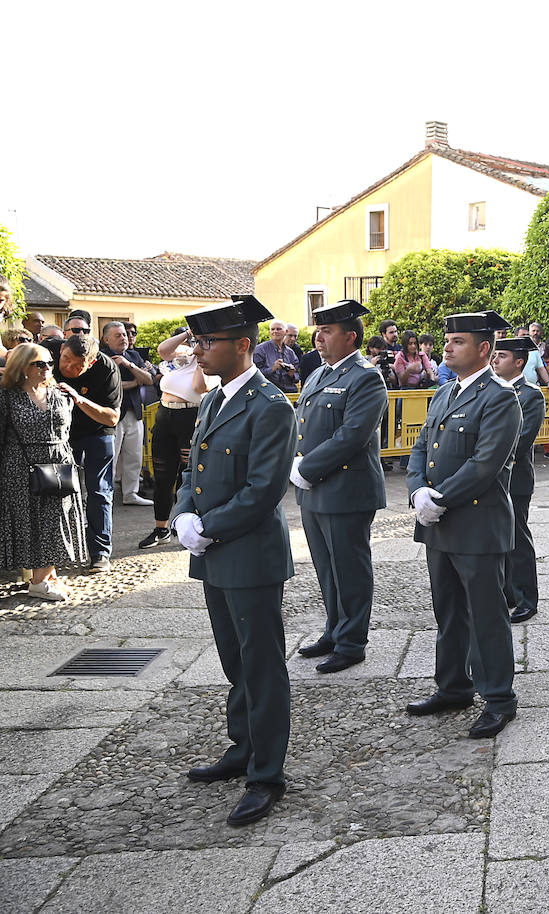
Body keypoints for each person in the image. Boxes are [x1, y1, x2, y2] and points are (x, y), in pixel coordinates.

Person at [171, 294, 295, 827]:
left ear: (242, 345)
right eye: (198, 341)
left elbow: (263, 488)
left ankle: (266, 773)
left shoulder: (270, 406)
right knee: (234, 660)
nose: (198, 351)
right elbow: (193, 474)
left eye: (208, 342)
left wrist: (209, 526)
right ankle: (241, 746)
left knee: (262, 665)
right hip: (215, 555)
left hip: (248, 554)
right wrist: (181, 515)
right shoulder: (215, 401)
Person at [404, 310, 521, 740]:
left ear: (484, 349)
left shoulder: (499, 397)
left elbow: (486, 464)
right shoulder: (445, 393)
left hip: (476, 523)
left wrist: (440, 497)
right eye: (447, 340)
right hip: (438, 521)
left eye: (458, 341)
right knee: (448, 610)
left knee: (485, 613)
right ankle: (453, 686)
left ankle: (498, 698)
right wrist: (417, 491)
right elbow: (421, 448)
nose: (447, 346)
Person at [291, 299, 389, 674]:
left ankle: (352, 642)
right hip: (314, 487)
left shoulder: (365, 376)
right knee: (326, 567)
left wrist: (307, 467)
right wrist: (297, 463)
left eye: (327, 331)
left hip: (346, 488)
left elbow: (352, 436)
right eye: (318, 330)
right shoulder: (319, 374)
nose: (318, 337)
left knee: (349, 567)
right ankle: (334, 629)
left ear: (350, 337)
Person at [0, 343, 89, 600]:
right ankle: (38, 582)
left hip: (59, 462)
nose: (47, 368)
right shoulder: (7, 396)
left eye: (49, 363)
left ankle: (47, 575)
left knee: (59, 520)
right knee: (33, 524)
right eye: (40, 364)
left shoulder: (58, 393)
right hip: (21, 467)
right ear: (22, 366)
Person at [138, 330, 218, 549]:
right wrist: (188, 334)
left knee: (187, 475)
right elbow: (163, 350)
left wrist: (201, 358)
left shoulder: (209, 362)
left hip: (189, 416)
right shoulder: (181, 355)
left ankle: (185, 525)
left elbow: (199, 388)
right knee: (162, 475)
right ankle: (161, 528)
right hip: (165, 415)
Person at [54, 334, 120, 571]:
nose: (68, 368)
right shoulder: (46, 353)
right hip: (59, 435)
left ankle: (100, 552)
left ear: (90, 363)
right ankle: (56, 552)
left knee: (99, 491)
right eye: (66, 360)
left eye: (77, 366)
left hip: (97, 432)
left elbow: (112, 418)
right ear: (61, 349)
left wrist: (78, 399)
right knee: (56, 491)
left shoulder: (107, 369)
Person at [492, 336, 546, 624]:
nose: (495, 360)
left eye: (501, 355)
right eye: (495, 354)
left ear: (519, 362)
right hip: (493, 478)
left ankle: (527, 598)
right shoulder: (492, 391)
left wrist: (490, 461)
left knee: (518, 539)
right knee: (500, 538)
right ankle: (507, 592)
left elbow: (522, 440)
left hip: (515, 478)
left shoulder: (530, 394)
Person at [99, 321, 155, 506]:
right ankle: (105, 496)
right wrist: (133, 383)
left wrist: (128, 364)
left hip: (135, 413)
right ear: (106, 339)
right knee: (111, 458)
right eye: (118, 335)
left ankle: (131, 494)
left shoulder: (133, 356)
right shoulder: (101, 358)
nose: (124, 338)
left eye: (124, 334)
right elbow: (107, 386)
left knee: (134, 456)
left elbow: (148, 380)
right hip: (113, 415)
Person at [252, 320, 299, 392]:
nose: (275, 331)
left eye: (279, 329)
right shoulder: (260, 350)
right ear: (270, 332)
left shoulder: (290, 353)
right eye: (272, 329)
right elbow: (254, 374)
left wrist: (292, 375)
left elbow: (297, 377)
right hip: (267, 392)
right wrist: (272, 369)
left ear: (286, 332)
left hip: (289, 393)